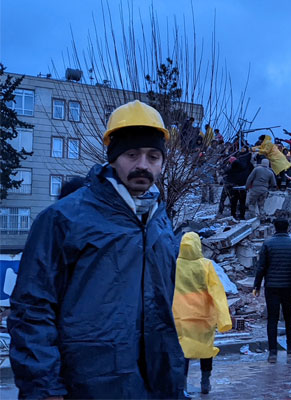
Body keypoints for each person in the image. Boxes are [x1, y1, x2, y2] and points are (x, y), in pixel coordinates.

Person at [8, 100, 184, 399]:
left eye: (153, 156)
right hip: (87, 384)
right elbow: (32, 309)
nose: (143, 165)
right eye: (132, 154)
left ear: (163, 162)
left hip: (155, 382)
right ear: (113, 157)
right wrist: (45, 388)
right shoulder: (64, 218)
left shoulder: (160, 220)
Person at [173, 232, 232, 395]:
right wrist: (224, 319)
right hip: (203, 316)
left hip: (181, 315)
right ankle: (205, 381)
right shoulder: (206, 265)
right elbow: (217, 292)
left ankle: (182, 382)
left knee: (183, 349)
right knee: (206, 349)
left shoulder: (175, 264)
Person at [253, 218, 291, 363]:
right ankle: (290, 349)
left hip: (272, 287)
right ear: (287, 228)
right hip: (289, 287)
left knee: (272, 319)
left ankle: (273, 353)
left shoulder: (268, 244)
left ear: (274, 228)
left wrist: (256, 285)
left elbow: (261, 267)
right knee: (289, 318)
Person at [222, 146, 253, 219]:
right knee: (242, 201)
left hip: (234, 185)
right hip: (243, 185)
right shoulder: (249, 164)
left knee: (234, 201)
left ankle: (233, 215)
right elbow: (251, 174)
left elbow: (226, 173)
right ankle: (242, 216)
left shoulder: (234, 164)